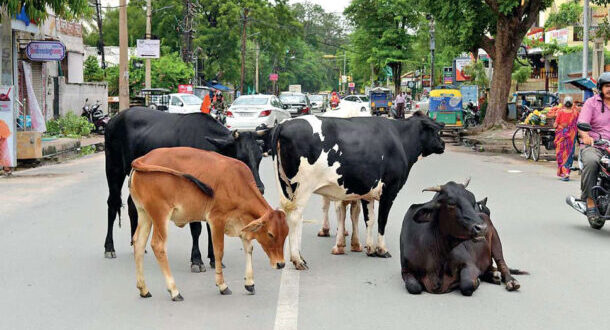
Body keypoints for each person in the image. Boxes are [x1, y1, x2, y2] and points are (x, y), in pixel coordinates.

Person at [578, 72, 610, 227]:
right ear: (601, 88)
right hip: (595, 146)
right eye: (607, 86)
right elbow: (582, 123)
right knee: (591, 162)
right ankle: (590, 200)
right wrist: (586, 136)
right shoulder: (591, 103)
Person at [553, 96, 579, 181]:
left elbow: (555, 124)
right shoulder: (575, 113)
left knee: (561, 154)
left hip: (561, 136)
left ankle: (564, 173)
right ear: (571, 104)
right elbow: (577, 124)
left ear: (564, 103)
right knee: (569, 154)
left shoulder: (560, 112)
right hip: (571, 137)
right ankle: (567, 172)